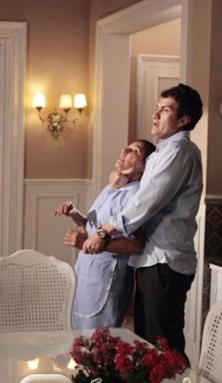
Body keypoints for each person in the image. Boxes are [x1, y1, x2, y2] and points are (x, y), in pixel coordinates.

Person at [82, 83, 203, 359]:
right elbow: (137, 188)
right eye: (157, 108)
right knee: (147, 344)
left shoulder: (179, 151)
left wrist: (104, 231)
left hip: (165, 261)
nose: (155, 115)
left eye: (165, 110)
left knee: (163, 348)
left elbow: (146, 202)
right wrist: (119, 178)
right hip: (152, 260)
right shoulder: (163, 152)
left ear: (183, 120)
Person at [55, 139, 155, 329]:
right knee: (76, 335)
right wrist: (74, 214)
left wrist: (85, 243)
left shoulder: (135, 197)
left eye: (134, 150)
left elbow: (135, 244)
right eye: (127, 147)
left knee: (99, 338)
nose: (124, 150)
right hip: (86, 274)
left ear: (145, 165)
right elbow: (93, 228)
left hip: (106, 278)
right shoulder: (113, 188)